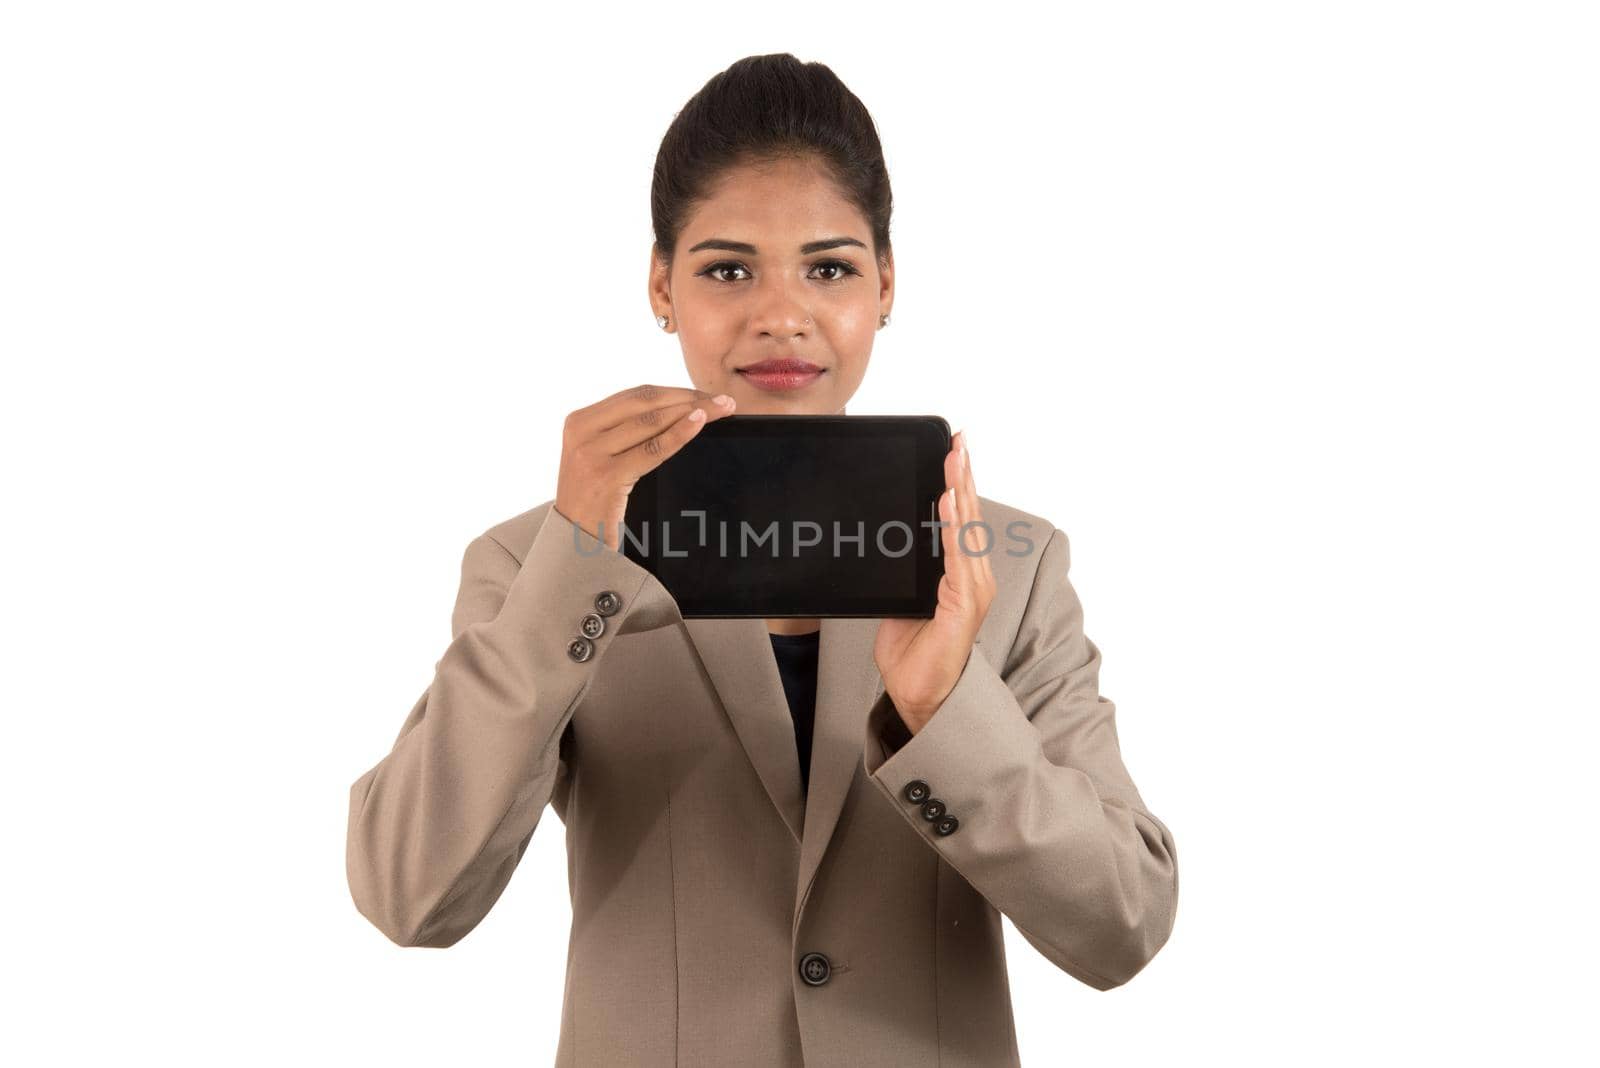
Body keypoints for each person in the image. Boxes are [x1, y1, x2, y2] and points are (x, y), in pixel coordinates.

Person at [346, 52, 1178, 1066]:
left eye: (828, 268)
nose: (780, 313)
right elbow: (406, 894)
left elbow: (1122, 926)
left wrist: (950, 704)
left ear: (885, 285)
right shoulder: (542, 564)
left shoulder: (1004, 563)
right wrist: (569, 570)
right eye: (726, 269)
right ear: (661, 284)